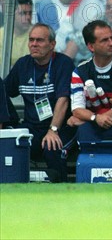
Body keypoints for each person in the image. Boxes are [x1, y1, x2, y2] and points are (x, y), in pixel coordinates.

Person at [4, 23, 76, 182]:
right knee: (13, 144)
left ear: (52, 44)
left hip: (62, 127)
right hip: (31, 127)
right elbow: (4, 91)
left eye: (39, 40)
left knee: (52, 147)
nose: (34, 44)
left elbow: (63, 100)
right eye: (31, 40)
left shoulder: (64, 63)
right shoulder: (23, 64)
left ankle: (62, 192)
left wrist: (53, 129)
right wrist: (7, 123)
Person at [70, 20, 112, 142]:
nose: (111, 43)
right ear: (91, 46)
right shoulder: (80, 71)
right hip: (91, 125)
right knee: (83, 132)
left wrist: (90, 118)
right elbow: (77, 109)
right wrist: (95, 118)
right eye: (104, 40)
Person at [0, 0, 33, 66]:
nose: (28, 17)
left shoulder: (39, 34)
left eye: (30, 13)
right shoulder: (1, 35)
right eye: (23, 13)